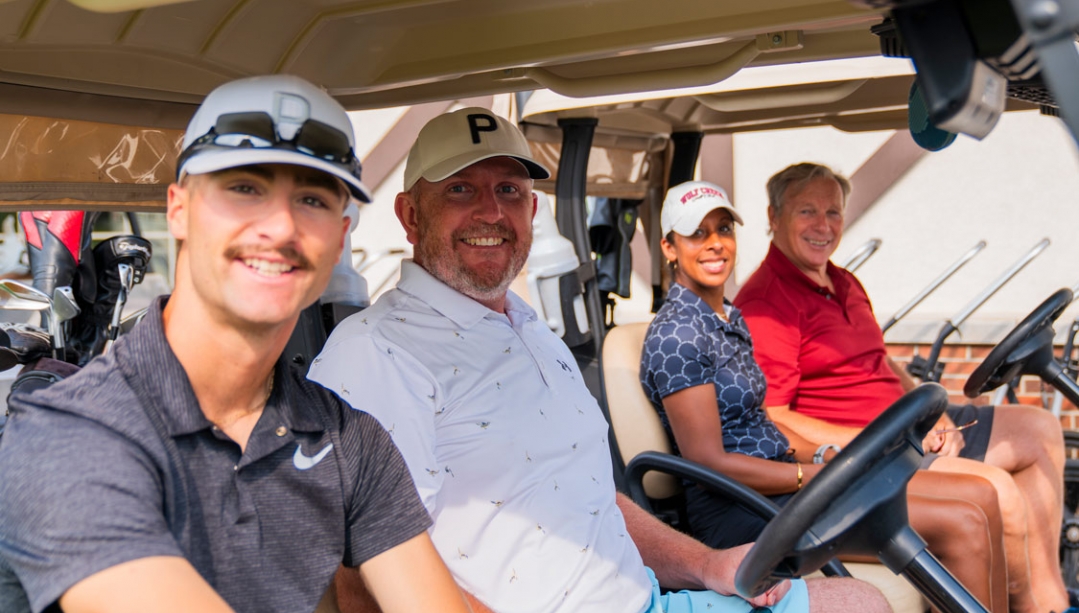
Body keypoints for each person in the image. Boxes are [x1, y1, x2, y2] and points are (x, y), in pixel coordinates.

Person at [309, 107, 891, 613]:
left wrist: (707, 565)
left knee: (862, 603)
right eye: (460, 190)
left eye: (509, 190)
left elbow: (593, 499)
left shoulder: (529, 329)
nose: (492, 212)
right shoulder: (374, 354)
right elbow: (360, 584)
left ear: (532, 209)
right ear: (411, 215)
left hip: (647, 598)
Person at [0, 75, 470, 613]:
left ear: (340, 237)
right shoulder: (70, 434)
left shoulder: (347, 439)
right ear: (178, 209)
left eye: (312, 199)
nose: (280, 227)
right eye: (245, 188)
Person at [640, 180, 1007, 610]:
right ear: (669, 248)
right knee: (963, 523)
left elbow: (761, 425)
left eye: (723, 229)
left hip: (783, 489)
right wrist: (809, 476)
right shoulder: (679, 335)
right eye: (697, 234)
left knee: (981, 501)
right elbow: (708, 461)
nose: (715, 243)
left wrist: (822, 454)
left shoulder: (726, 317)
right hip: (742, 509)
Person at [734, 162, 1071, 613]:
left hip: (909, 426)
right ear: (774, 217)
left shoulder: (843, 281)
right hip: (870, 451)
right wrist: (880, 440)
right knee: (998, 492)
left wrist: (933, 409)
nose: (823, 226)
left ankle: (1053, 600)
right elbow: (774, 416)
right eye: (807, 212)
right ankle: (1030, 607)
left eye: (833, 213)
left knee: (1038, 428)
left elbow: (883, 360)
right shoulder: (767, 302)